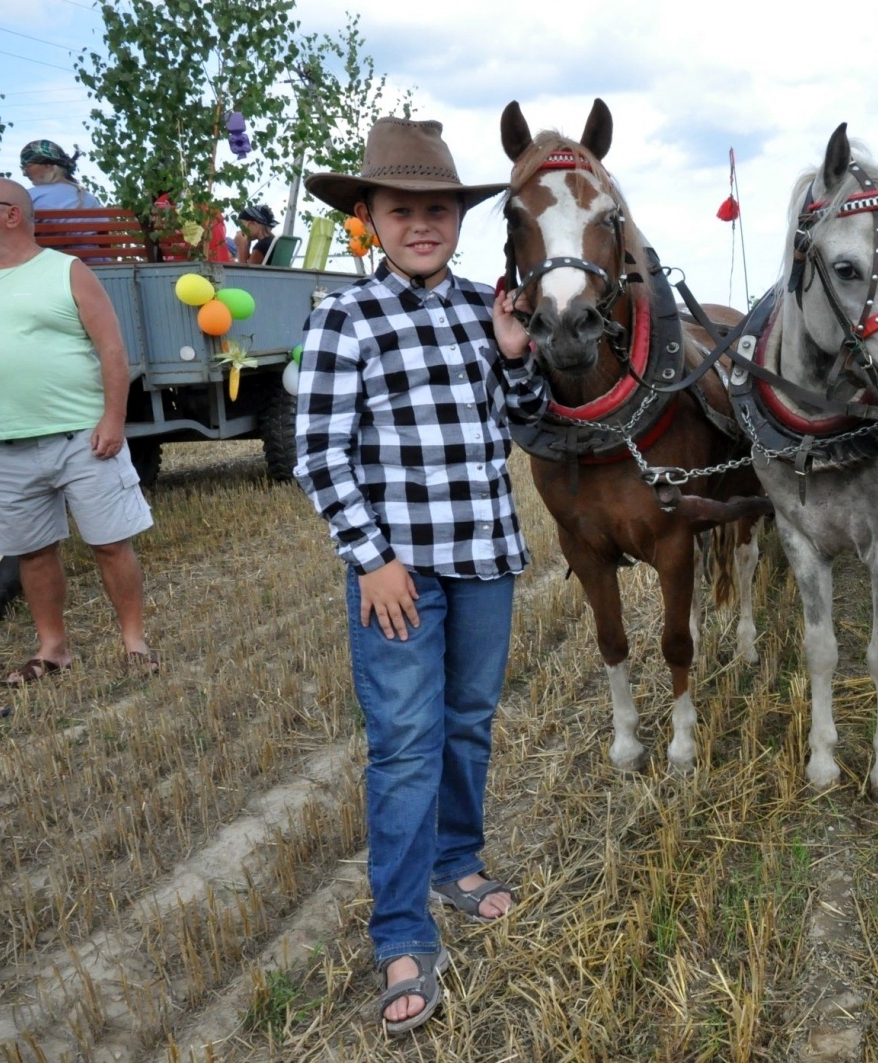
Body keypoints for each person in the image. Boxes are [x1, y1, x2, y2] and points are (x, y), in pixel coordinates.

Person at [296, 117, 549, 1035]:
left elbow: (521, 422)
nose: (423, 224)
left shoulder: (485, 305)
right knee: (405, 744)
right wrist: (372, 560)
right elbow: (320, 457)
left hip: (484, 557)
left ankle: (458, 859)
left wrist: (516, 355)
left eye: (438, 209)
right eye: (403, 210)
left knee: (470, 722)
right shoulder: (344, 318)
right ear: (369, 217)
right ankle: (402, 932)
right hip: (399, 573)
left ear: (459, 217)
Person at [0, 178, 158, 687]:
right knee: (33, 551)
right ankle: (53, 650)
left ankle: (134, 642)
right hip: (7, 444)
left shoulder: (66, 270)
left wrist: (113, 419)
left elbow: (112, 348)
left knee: (110, 543)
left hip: (82, 438)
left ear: (11, 215)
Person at [19, 140, 103, 212]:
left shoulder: (27, 197)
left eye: (27, 166)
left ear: (48, 166)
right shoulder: (90, 199)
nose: (24, 173)